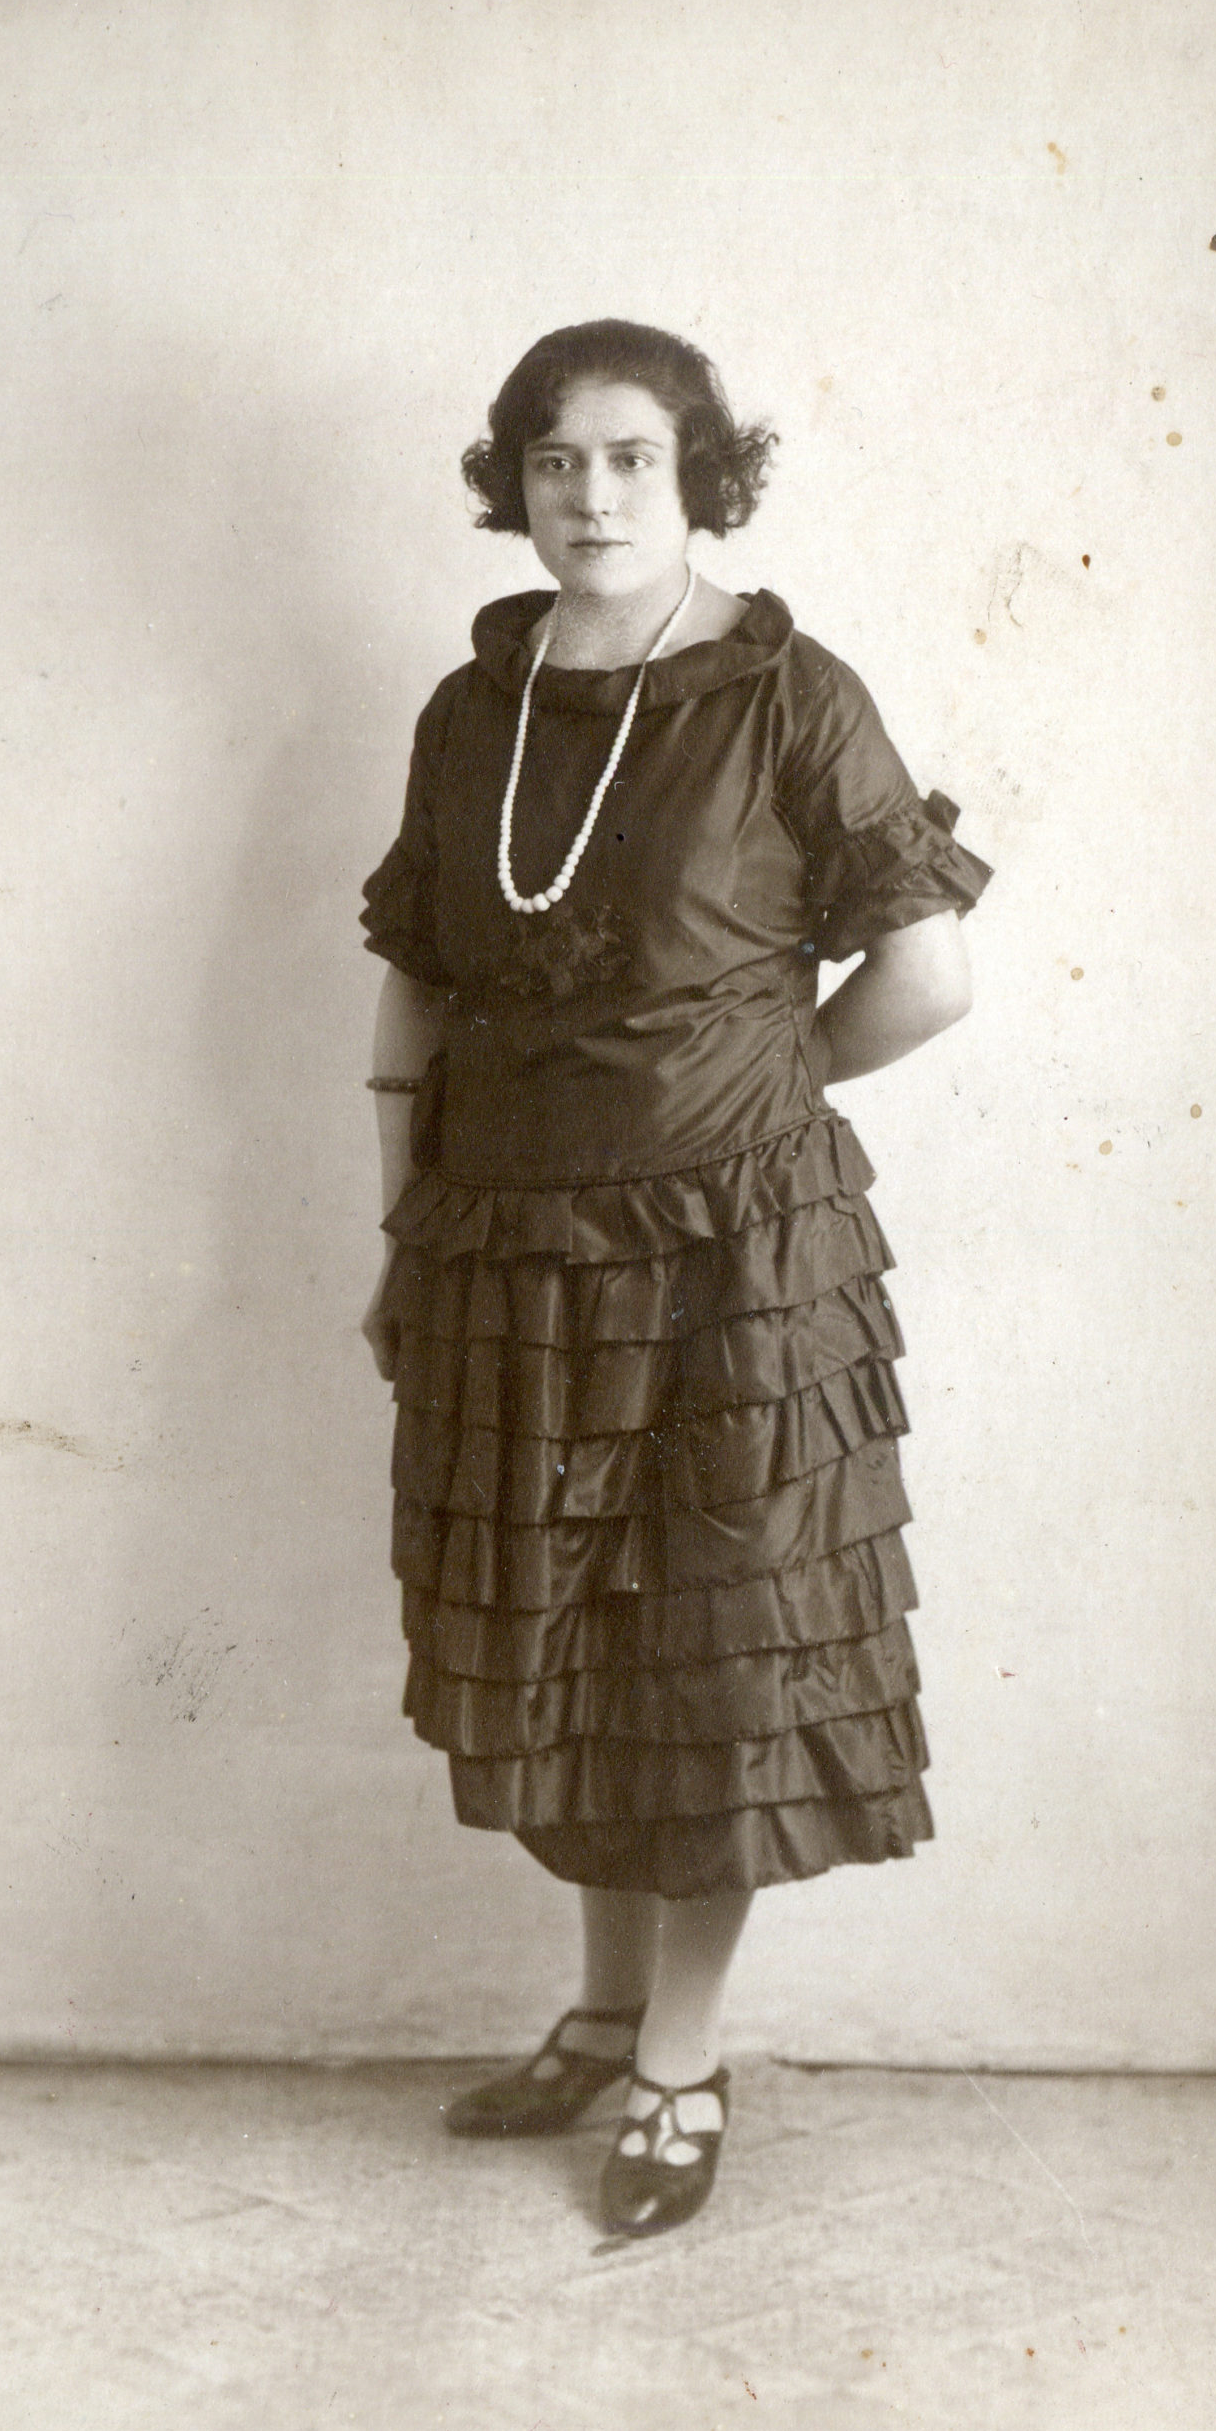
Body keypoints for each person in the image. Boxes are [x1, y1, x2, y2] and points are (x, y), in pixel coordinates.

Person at [360, 319, 991, 2241]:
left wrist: (750, 1096)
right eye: (554, 461)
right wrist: (401, 1227)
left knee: (709, 1654)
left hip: (738, 1264)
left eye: (632, 457)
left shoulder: (791, 694)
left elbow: (927, 972)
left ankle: (678, 2065)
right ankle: (601, 2011)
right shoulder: (473, 707)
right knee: (564, 1638)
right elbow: (416, 985)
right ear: (514, 483)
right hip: (506, 1247)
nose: (591, 496)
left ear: (701, 475)